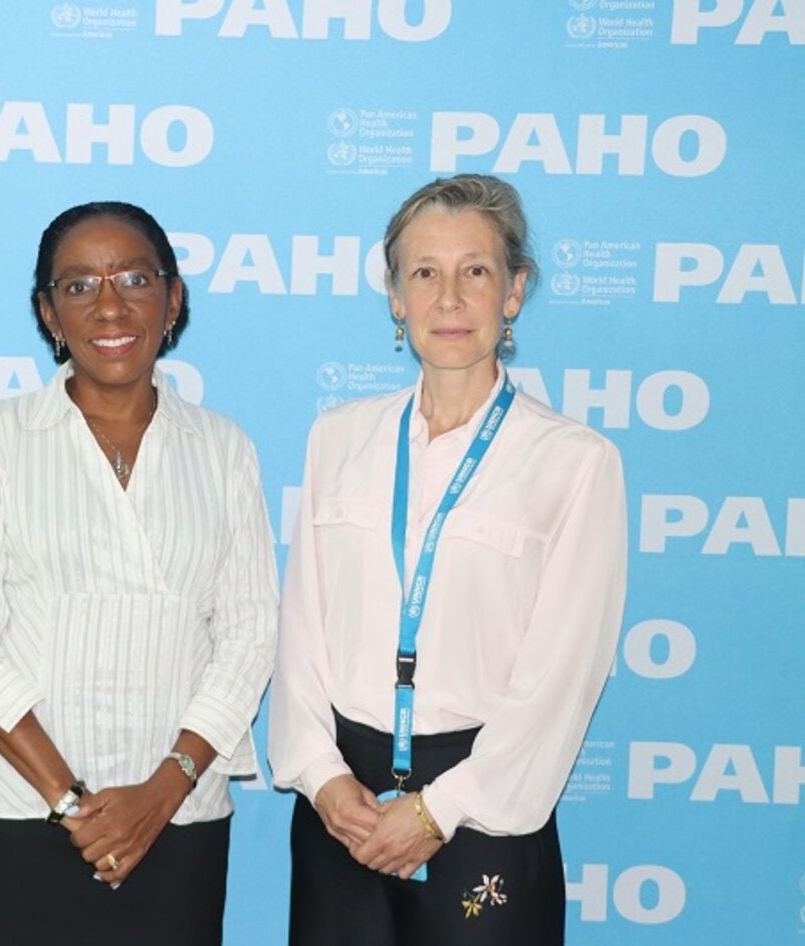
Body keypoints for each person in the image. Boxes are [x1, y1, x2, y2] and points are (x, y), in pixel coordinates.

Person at [268, 174, 627, 944]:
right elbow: (301, 631)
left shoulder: (575, 462)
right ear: (396, 297)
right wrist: (321, 776)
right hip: (341, 810)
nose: (450, 298)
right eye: (425, 273)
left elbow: (564, 674)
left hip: (485, 808)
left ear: (514, 291)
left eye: (477, 271)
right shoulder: (339, 437)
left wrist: (441, 809)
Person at [0, 201, 280, 945]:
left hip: (175, 820)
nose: (110, 306)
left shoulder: (223, 449)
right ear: (48, 313)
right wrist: (72, 803)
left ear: (173, 299)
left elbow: (249, 635)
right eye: (80, 285)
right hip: (12, 817)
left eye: (134, 279)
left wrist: (161, 793)